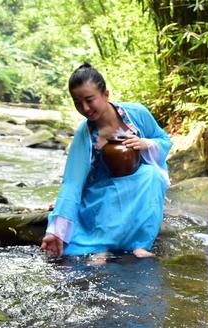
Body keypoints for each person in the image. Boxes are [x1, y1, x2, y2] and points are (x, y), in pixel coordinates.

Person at [40, 63, 171, 259]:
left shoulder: (136, 114)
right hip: (102, 193)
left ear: (106, 94)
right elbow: (72, 184)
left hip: (139, 187)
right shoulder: (84, 135)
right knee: (102, 199)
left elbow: (163, 141)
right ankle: (100, 245)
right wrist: (56, 231)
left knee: (151, 175)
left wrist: (146, 143)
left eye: (89, 100)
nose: (85, 108)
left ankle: (140, 244)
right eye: (77, 102)